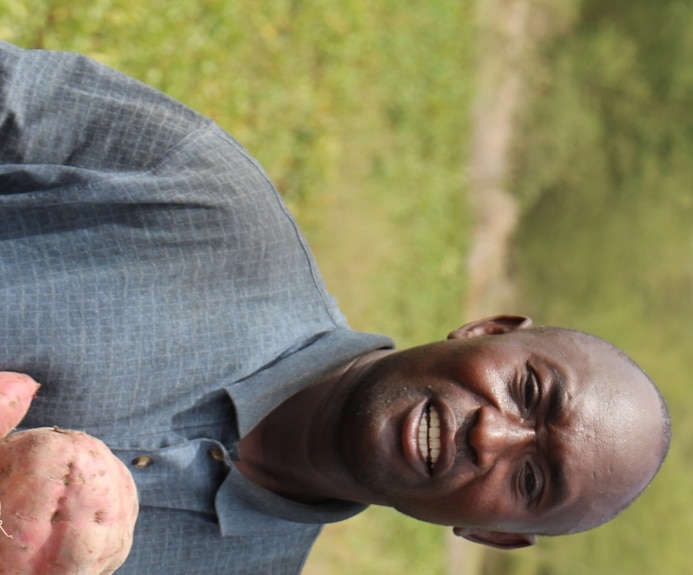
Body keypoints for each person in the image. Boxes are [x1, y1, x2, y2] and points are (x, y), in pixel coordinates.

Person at [0, 40, 670, 573]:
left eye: (529, 479)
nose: (491, 435)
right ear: (485, 329)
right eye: (527, 389)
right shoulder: (203, 202)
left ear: (489, 531)